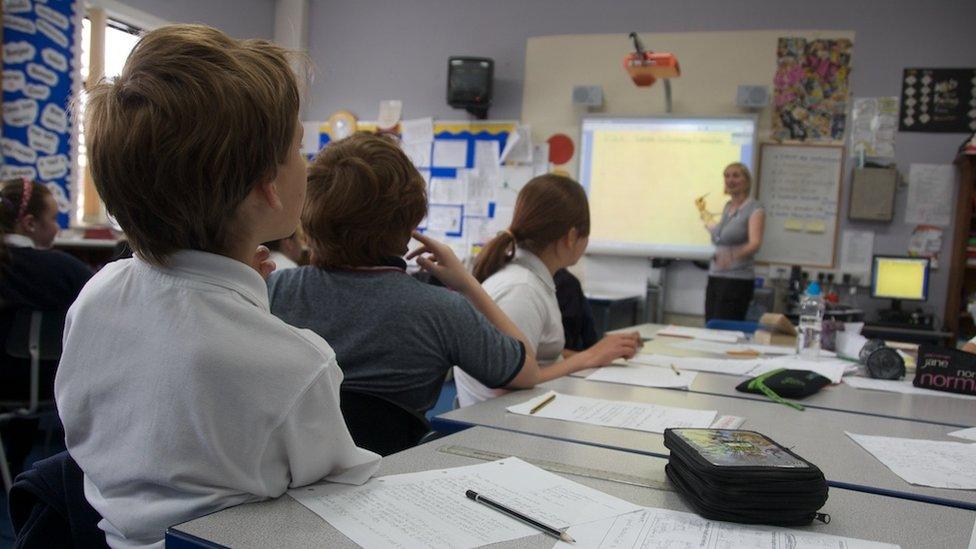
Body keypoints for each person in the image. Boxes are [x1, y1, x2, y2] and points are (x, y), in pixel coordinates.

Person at [54, 25, 380, 548]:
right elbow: (338, 497)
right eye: (299, 148)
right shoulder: (295, 362)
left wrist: (239, 301)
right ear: (265, 188)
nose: (310, 162)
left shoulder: (97, 296)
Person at [268, 132, 540, 415]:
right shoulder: (442, 311)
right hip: (395, 459)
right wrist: (468, 284)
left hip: (287, 458)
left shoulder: (272, 290)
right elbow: (528, 372)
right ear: (410, 222)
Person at [455, 174, 642, 407]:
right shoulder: (521, 290)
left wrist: (603, 352)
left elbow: (541, 359)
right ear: (572, 236)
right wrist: (589, 356)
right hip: (498, 423)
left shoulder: (533, 279)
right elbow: (509, 384)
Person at [0, 179, 92, 478]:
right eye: (53, 219)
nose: (56, 229)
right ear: (29, 223)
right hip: (51, 383)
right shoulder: (65, 269)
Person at [696, 162, 765, 322]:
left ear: (746, 180)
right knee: (710, 327)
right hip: (716, 277)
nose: (730, 180)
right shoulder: (728, 207)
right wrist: (704, 214)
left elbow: (755, 243)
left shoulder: (755, 209)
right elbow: (720, 236)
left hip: (736, 281)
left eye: (735, 175)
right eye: (726, 176)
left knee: (723, 331)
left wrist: (731, 256)